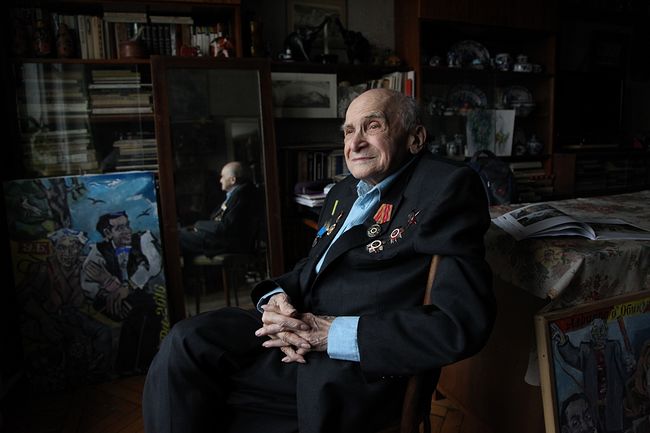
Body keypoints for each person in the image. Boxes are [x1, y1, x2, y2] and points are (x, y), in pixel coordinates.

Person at [143, 88, 496, 433]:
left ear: (415, 138)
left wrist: (330, 334)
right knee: (186, 340)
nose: (355, 143)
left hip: (352, 363)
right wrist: (277, 299)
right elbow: (315, 267)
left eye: (373, 126)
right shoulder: (343, 191)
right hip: (300, 325)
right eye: (348, 131)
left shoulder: (446, 187)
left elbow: (459, 323)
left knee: (206, 393)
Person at [81, 210, 163, 374]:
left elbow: (154, 264)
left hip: (138, 296)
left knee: (144, 308)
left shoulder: (142, 239)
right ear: (107, 233)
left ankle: (132, 366)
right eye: (120, 228)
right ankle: (136, 366)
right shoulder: (98, 250)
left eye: (127, 225)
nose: (127, 231)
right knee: (138, 309)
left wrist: (128, 286)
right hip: (109, 300)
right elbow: (87, 284)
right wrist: (109, 294)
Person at [552, 318, 636, 433]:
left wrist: (630, 365)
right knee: (595, 425)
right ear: (592, 332)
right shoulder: (586, 350)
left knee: (615, 427)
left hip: (613, 398)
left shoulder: (613, 347)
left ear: (605, 330)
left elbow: (622, 369)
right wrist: (563, 342)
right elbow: (572, 357)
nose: (599, 334)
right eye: (596, 330)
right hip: (594, 401)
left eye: (602, 330)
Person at [179, 161, 261, 257]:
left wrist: (198, 225)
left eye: (222, 176)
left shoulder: (242, 196)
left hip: (226, 243)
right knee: (182, 232)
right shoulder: (236, 194)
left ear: (233, 180)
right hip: (220, 238)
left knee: (177, 236)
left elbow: (226, 227)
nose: (220, 180)